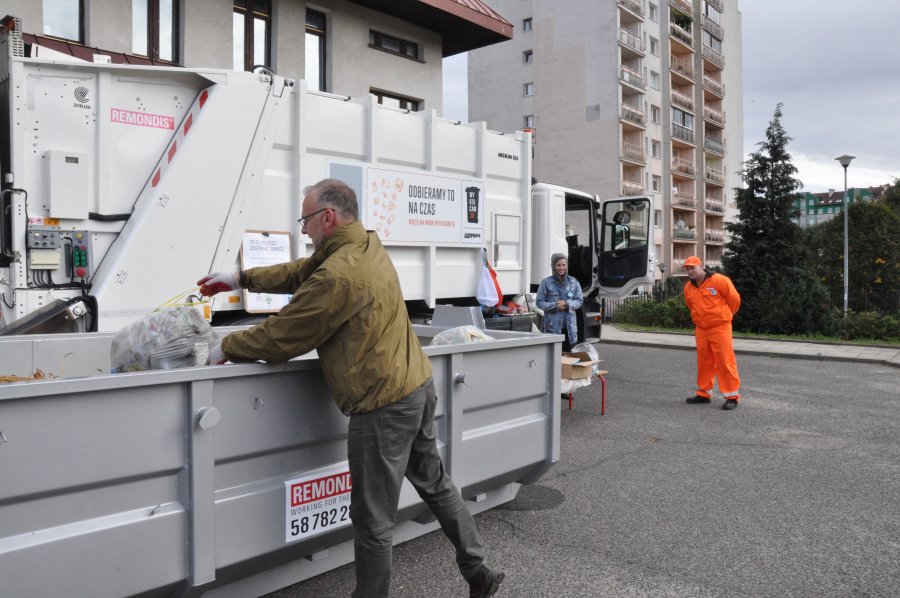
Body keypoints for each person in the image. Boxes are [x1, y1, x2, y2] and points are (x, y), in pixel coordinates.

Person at [196, 179, 504, 598]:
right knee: (437, 484)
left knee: (373, 521)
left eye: (305, 219)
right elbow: (301, 271)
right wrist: (240, 278)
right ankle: (479, 571)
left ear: (328, 217)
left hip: (382, 406)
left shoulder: (340, 275)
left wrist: (224, 347)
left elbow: (285, 335)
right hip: (416, 384)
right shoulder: (363, 245)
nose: (303, 229)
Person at [682, 255, 742, 410]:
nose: (690, 271)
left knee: (725, 361)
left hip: (720, 327)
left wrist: (725, 316)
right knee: (704, 362)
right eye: (687, 269)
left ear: (701, 266)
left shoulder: (719, 280)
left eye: (692, 268)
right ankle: (704, 393)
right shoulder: (688, 288)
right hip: (701, 329)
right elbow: (691, 306)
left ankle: (732, 396)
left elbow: (734, 300)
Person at [535, 253, 583, 352]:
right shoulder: (546, 283)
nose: (561, 268)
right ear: (554, 266)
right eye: (558, 265)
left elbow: (579, 301)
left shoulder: (574, 282)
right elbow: (539, 302)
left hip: (570, 331)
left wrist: (567, 304)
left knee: (570, 361)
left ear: (567, 266)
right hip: (552, 330)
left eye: (563, 265)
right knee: (553, 361)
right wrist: (556, 305)